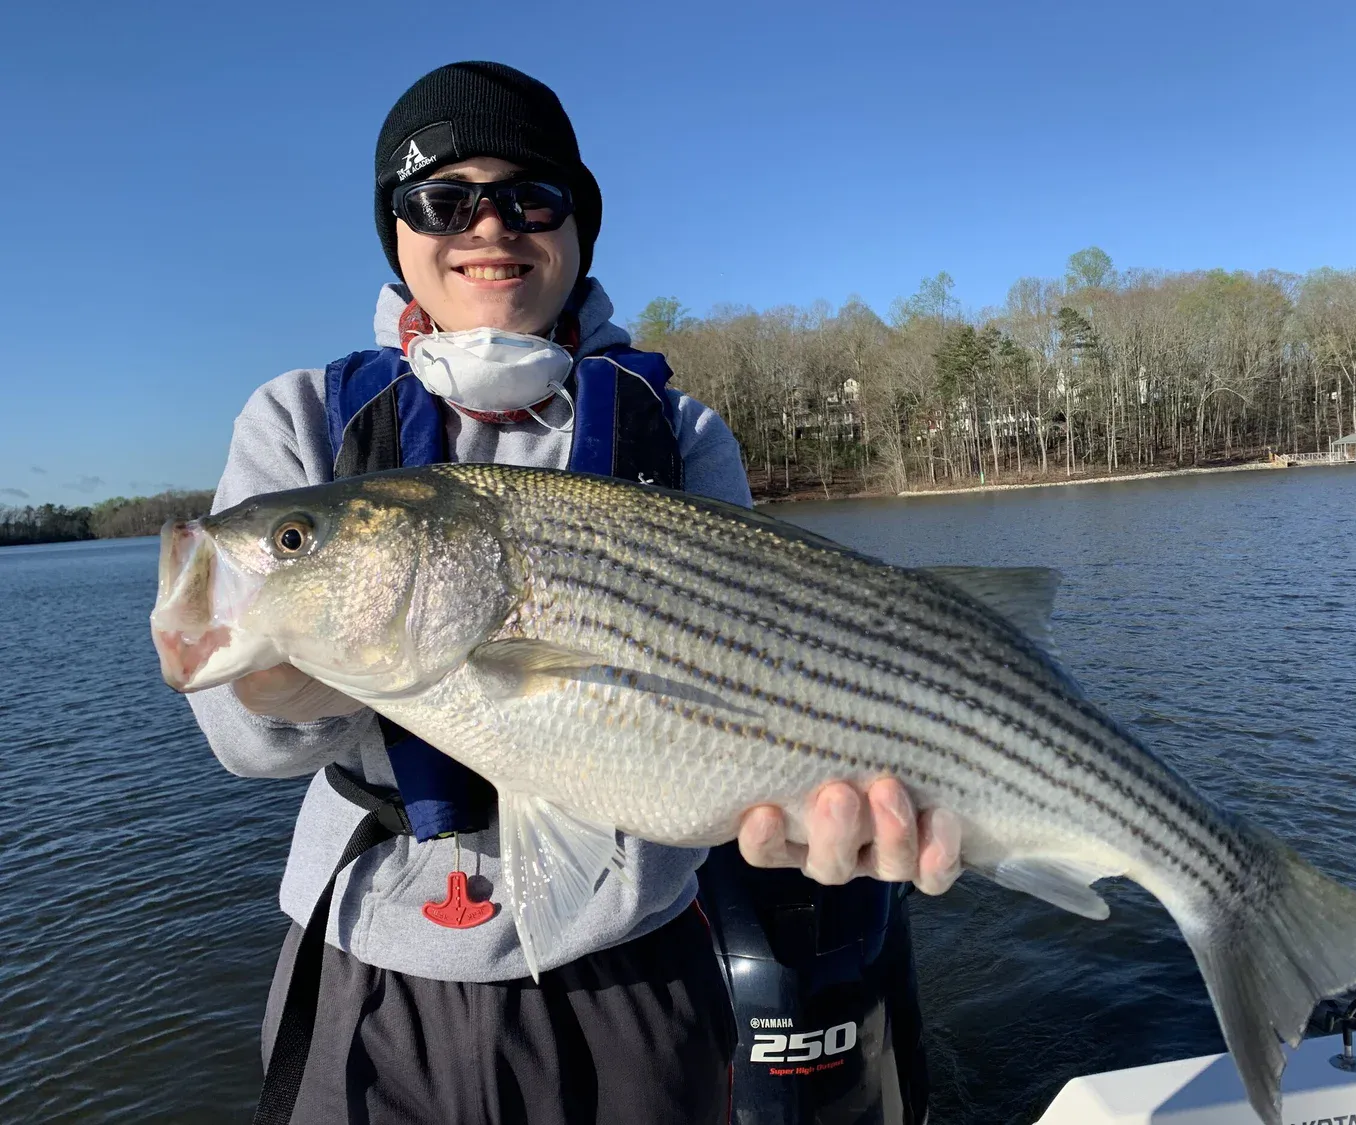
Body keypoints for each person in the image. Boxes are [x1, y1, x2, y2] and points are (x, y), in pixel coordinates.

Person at [189, 60, 960, 1125]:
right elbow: (245, 743)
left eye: (530, 196)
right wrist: (285, 687)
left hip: (631, 966)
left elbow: (760, 683)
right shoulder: (302, 424)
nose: (489, 226)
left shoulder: (680, 435)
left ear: (579, 228)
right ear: (398, 232)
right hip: (369, 966)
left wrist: (803, 805)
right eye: (441, 200)